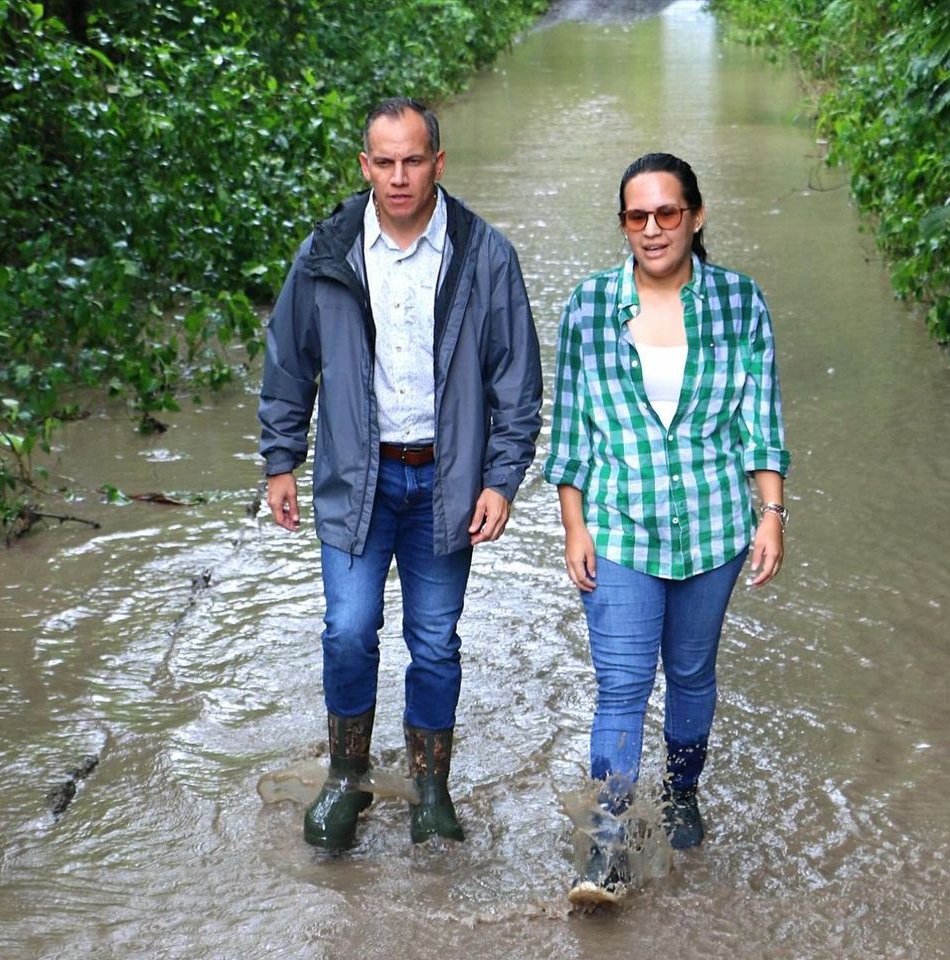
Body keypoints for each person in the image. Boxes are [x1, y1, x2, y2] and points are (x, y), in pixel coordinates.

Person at [258, 97, 542, 851]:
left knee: (436, 641)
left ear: (438, 163)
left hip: (446, 484)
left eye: (413, 160)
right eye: (384, 161)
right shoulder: (327, 251)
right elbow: (289, 360)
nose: (398, 176)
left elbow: (516, 384)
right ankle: (346, 780)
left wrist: (500, 480)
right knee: (348, 630)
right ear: (364, 166)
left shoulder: (484, 255)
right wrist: (281, 459)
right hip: (358, 479)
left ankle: (429, 789)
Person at [543, 152, 790, 900]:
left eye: (666, 213)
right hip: (618, 526)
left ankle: (682, 792)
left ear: (695, 216)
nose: (651, 229)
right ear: (623, 223)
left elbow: (760, 421)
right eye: (636, 216)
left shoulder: (739, 303)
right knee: (620, 685)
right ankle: (607, 846)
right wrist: (573, 526)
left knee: (689, 673)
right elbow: (571, 430)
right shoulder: (589, 306)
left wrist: (771, 514)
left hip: (713, 527)